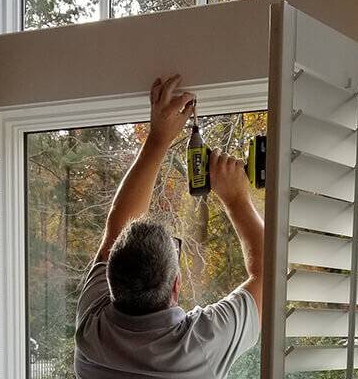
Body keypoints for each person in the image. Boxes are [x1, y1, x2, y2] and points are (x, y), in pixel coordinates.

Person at [74, 74, 264, 379]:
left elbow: (115, 230)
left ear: (110, 281)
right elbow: (269, 276)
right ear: (176, 285)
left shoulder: (92, 331)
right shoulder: (197, 346)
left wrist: (157, 138)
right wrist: (236, 198)